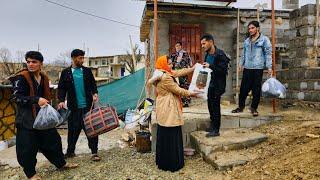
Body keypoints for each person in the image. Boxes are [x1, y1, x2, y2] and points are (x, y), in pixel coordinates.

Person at [11, 51, 77, 180]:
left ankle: (61, 163)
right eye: (28, 61)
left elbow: (47, 97)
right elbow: (16, 97)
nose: (30, 64)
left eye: (34, 62)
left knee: (53, 141)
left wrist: (57, 104)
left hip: (43, 118)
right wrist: (36, 100)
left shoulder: (44, 78)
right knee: (27, 148)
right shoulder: (21, 78)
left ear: (41, 63)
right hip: (27, 120)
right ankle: (31, 174)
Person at [149, 55, 199, 172]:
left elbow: (179, 72)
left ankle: (164, 161)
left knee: (165, 133)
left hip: (163, 106)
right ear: (164, 64)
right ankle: (172, 163)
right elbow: (178, 90)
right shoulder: (165, 77)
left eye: (171, 63)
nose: (172, 65)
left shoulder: (162, 73)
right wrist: (192, 93)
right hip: (169, 107)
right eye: (170, 63)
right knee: (171, 132)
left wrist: (192, 69)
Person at [57, 49, 101, 161]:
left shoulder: (86, 71)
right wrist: (61, 100)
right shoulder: (66, 73)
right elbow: (61, 88)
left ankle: (94, 152)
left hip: (87, 106)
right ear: (73, 58)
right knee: (72, 130)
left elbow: (93, 84)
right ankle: (70, 152)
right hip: (73, 107)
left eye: (83, 58)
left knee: (91, 129)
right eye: (80, 58)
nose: (82, 60)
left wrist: (95, 93)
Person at [231, 21, 272, 117]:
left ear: (258, 28)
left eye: (252, 28)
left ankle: (254, 108)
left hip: (258, 68)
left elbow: (268, 54)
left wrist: (269, 67)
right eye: (249, 28)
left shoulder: (264, 40)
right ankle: (240, 107)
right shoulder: (247, 41)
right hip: (248, 68)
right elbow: (243, 55)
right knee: (243, 89)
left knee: (256, 89)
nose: (250, 30)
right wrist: (241, 64)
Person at [201, 34, 230, 137]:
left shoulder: (221, 55)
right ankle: (212, 126)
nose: (202, 46)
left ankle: (216, 130)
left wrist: (211, 66)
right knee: (210, 106)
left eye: (204, 43)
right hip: (210, 85)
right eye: (202, 44)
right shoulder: (207, 54)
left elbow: (222, 71)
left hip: (217, 85)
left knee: (216, 107)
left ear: (211, 42)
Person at [170, 41, 193, 107]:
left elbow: (189, 63)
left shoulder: (186, 54)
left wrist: (188, 69)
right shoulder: (173, 54)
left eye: (178, 45)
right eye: (176, 46)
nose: (177, 47)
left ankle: (186, 102)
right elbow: (171, 63)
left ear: (181, 46)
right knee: (177, 87)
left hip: (183, 72)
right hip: (176, 73)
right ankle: (178, 102)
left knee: (184, 86)